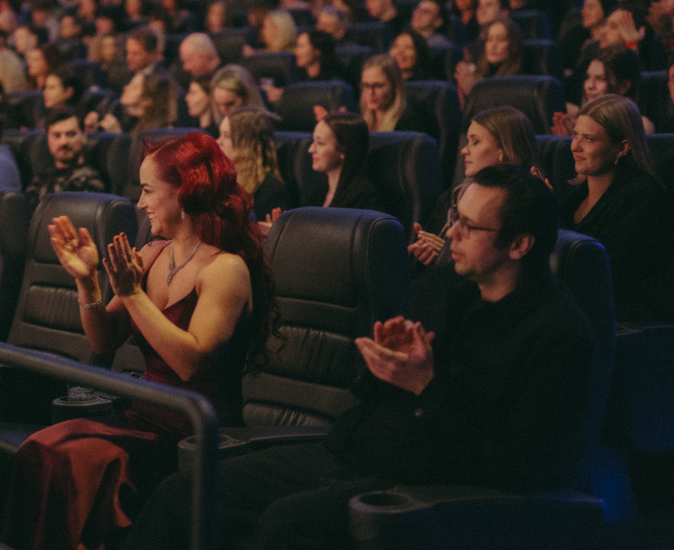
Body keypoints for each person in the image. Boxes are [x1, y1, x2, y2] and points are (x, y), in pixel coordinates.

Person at [124, 164, 594, 550]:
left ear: (520, 244)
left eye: (470, 226)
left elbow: (512, 465)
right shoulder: (444, 288)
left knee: (285, 527)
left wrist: (425, 387)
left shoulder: (557, 332)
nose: (451, 233)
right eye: (456, 215)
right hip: (359, 449)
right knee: (184, 493)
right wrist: (383, 365)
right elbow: (370, 398)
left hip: (432, 482)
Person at [1, 132, 276, 550]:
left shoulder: (226, 269)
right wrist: (87, 280)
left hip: (195, 434)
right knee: (41, 448)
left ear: (185, 192)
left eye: (148, 191)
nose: (140, 203)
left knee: (75, 460)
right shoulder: (151, 253)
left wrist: (132, 294)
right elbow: (105, 339)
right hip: (142, 417)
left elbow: (191, 360)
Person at [562, 94, 673, 321]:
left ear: (622, 148)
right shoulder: (575, 197)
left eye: (589, 139)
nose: (575, 146)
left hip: (621, 321)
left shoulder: (643, 196)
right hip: (576, 311)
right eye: (575, 135)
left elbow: (603, 274)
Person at [409, 107, 539, 267]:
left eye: (475, 142)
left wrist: (449, 255)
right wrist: (430, 253)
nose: (464, 150)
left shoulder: (527, 203)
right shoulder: (453, 196)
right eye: (467, 142)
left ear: (503, 150)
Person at [553, 45, 655, 136]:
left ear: (623, 86)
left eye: (600, 78)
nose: (590, 85)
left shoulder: (640, 125)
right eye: (588, 77)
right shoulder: (578, 121)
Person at [217, 107, 293, 217]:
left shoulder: (272, 194)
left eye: (226, 136)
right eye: (220, 135)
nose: (218, 141)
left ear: (248, 144)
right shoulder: (222, 183)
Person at [302, 113, 386, 212]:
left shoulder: (365, 199)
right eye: (313, 141)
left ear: (344, 150)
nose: (311, 149)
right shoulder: (316, 195)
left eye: (320, 143)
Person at [25, 107, 106, 209]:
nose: (63, 142)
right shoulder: (40, 179)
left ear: (84, 136)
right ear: (48, 140)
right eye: (57, 135)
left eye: (71, 134)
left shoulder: (91, 181)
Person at [359, 54, 436, 135]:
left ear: (395, 86)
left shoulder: (409, 123)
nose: (371, 93)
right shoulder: (360, 121)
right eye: (366, 85)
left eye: (378, 86)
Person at [455, 17, 525, 102]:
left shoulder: (518, 80)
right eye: (490, 39)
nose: (493, 45)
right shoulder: (478, 73)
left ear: (513, 45)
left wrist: (475, 90)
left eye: (500, 39)